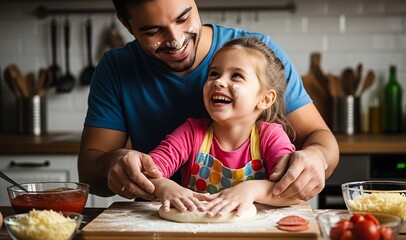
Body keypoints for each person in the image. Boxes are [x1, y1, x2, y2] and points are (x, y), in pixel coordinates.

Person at [78, 0, 339, 202]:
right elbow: (91, 175)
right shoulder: (116, 69)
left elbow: (320, 139)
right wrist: (122, 163)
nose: (176, 40)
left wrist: (316, 156)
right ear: (126, 24)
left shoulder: (256, 54)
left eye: (183, 17)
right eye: (153, 31)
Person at [150, 37, 300, 217]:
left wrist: (251, 190)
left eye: (236, 75)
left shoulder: (270, 136)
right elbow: (148, 171)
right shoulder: (192, 133)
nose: (219, 82)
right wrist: (164, 186)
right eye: (214, 74)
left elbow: (295, 191)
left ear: (265, 99)